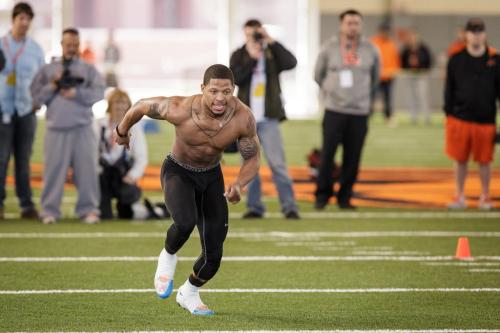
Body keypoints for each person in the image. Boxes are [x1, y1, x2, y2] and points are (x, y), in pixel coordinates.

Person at [114, 64, 260, 315]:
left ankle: (189, 292)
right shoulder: (180, 108)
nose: (220, 98)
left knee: (213, 256)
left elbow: (253, 158)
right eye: (213, 91)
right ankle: (168, 256)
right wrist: (122, 130)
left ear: (233, 90)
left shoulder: (243, 117)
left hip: (212, 177)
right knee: (185, 222)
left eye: (226, 92)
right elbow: (140, 106)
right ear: (203, 88)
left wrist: (239, 183)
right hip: (178, 171)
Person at [31, 28, 105, 224]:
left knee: (87, 171)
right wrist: (53, 85)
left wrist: (77, 94)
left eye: (75, 45)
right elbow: (36, 96)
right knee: (53, 172)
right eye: (68, 44)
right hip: (56, 129)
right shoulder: (48, 70)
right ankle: (49, 211)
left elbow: (100, 92)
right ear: (62, 45)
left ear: (79, 45)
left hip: (83, 128)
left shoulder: (89, 69)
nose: (71, 48)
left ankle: (88, 210)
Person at [230, 19, 299, 219]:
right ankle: (254, 207)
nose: (254, 37)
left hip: (268, 118)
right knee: (250, 164)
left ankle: (289, 206)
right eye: (250, 34)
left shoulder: (271, 52)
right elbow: (235, 80)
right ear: (244, 35)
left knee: (277, 163)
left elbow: (291, 63)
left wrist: (272, 42)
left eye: (257, 33)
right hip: (246, 120)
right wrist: (251, 58)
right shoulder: (239, 54)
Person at [313, 9, 379, 210]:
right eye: (349, 23)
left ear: (361, 25)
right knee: (327, 155)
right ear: (341, 25)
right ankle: (322, 196)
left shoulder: (370, 49)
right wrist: (331, 91)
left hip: (359, 112)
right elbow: (318, 74)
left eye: (356, 23)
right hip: (334, 110)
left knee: (353, 156)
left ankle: (345, 197)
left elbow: (376, 78)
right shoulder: (330, 47)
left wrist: (363, 98)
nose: (353, 26)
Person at [444, 18, 499, 210]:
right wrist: (449, 114)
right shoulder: (456, 59)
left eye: (479, 31)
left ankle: (485, 196)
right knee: (460, 159)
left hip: (485, 119)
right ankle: (460, 195)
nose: (476, 35)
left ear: (484, 34)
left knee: (485, 161)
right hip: (460, 118)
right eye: (473, 31)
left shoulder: (495, 59)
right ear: (465, 34)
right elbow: (449, 90)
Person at [0, 2, 45, 220]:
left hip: (27, 111)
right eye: (21, 18)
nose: (25, 23)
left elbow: (41, 80)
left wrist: (39, 100)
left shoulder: (35, 49)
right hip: (3, 110)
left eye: (28, 19)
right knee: (1, 159)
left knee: (23, 160)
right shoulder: (1, 45)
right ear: (14, 20)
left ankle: (26, 205)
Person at [96, 88, 168, 220]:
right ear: (110, 105)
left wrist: (131, 176)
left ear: (128, 106)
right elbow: (93, 154)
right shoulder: (99, 125)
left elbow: (141, 158)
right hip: (103, 176)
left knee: (128, 213)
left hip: (122, 177)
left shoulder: (134, 127)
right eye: (117, 102)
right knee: (104, 216)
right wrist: (97, 172)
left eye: (123, 103)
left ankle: (156, 210)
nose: (120, 106)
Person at [400, 29, 433, 125]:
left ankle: (427, 118)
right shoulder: (406, 49)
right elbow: (402, 61)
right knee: (411, 98)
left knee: (423, 97)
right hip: (410, 75)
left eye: (414, 37)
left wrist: (424, 68)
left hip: (421, 75)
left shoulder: (423, 48)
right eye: (411, 37)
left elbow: (429, 60)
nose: (413, 39)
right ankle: (413, 118)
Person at [370, 22, 400, 126]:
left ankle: (388, 117)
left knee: (388, 99)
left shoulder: (391, 44)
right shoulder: (374, 43)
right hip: (375, 76)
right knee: (371, 98)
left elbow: (395, 60)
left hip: (388, 77)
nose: (385, 34)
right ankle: (368, 117)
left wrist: (394, 72)